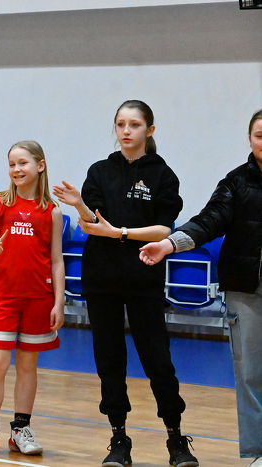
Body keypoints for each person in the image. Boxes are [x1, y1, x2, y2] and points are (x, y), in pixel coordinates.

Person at [53, 100, 198, 467]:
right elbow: (94, 223)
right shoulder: (100, 171)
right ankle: (119, 438)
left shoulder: (163, 175)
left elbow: (163, 230)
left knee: (158, 360)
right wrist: (79, 206)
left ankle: (176, 438)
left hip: (143, 279)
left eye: (134, 124)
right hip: (101, 278)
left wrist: (120, 233)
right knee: (110, 360)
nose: (126, 131)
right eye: (121, 124)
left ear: (150, 130)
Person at [139, 109, 262, 467]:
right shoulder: (236, 182)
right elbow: (209, 220)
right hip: (246, 290)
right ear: (250, 139)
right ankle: (259, 452)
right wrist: (170, 244)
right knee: (251, 374)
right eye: (259, 135)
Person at [0, 141, 64, 458]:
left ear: (40, 166)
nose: (16, 169)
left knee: (28, 365)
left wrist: (59, 302)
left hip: (39, 298)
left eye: (23, 163)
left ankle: (20, 430)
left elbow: (57, 260)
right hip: (4, 297)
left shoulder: (52, 211)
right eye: (11, 164)